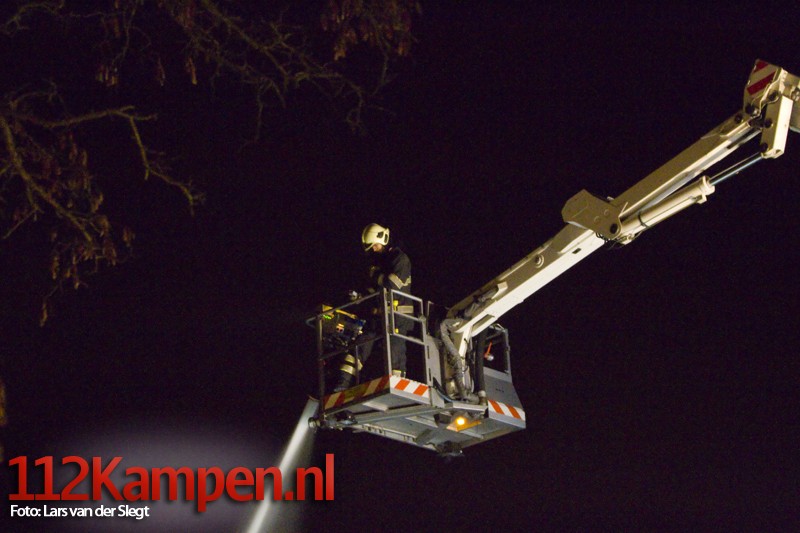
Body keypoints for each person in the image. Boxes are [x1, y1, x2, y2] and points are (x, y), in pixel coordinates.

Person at [334, 223, 413, 391]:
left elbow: (391, 285)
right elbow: (372, 289)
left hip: (397, 318)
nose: (374, 250)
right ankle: (342, 384)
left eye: (375, 246)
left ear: (383, 239)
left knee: (395, 354)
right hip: (377, 317)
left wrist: (376, 276)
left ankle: (398, 387)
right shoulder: (378, 263)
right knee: (358, 347)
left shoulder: (400, 259)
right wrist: (359, 297)